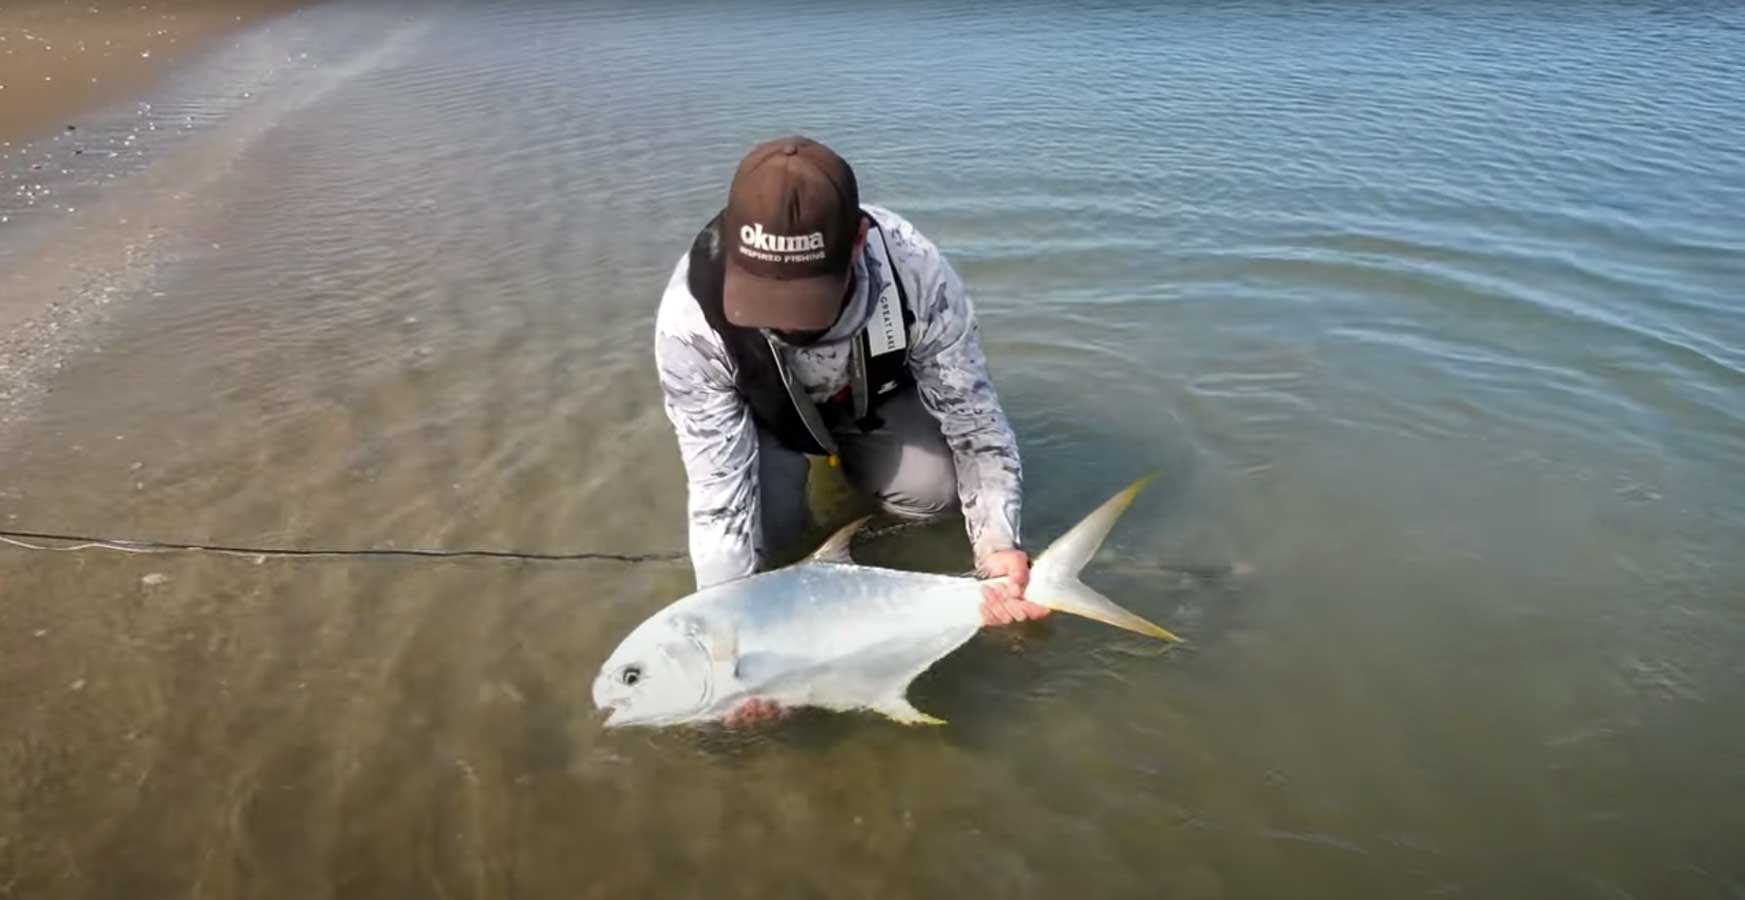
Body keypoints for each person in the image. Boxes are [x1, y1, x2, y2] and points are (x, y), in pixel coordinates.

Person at [653, 137, 1048, 722]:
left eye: (807, 297)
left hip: (875, 402)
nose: (783, 321)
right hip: (766, 423)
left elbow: (974, 420)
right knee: (765, 536)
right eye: (761, 297)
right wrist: (727, 638)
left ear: (859, 243)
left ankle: (870, 492)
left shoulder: (916, 270)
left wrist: (997, 544)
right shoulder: (690, 320)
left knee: (935, 490)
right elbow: (717, 494)